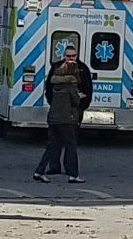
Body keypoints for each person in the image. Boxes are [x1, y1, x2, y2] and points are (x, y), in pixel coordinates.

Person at [33, 42, 92, 184]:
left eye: (73, 56)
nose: (71, 58)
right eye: (68, 56)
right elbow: (76, 100)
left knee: (52, 145)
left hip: (54, 116)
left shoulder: (56, 80)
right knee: (71, 146)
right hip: (68, 117)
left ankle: (39, 171)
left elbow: (49, 92)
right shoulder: (71, 84)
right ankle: (73, 174)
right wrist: (79, 99)